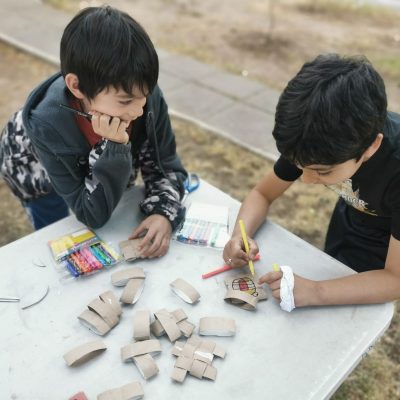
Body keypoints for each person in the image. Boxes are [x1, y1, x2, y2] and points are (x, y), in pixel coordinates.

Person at [0, 6, 187, 259]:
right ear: (76, 86)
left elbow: (165, 166)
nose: (139, 111)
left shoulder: (144, 98)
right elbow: (92, 215)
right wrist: (114, 147)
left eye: (144, 96)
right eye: (125, 101)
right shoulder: (45, 124)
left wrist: (164, 211)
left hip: (79, 156)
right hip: (32, 168)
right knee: (59, 240)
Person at [223, 53, 400, 307]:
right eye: (299, 166)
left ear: (372, 146)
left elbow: (394, 280)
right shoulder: (311, 141)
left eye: (322, 171)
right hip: (354, 215)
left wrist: (316, 291)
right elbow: (262, 194)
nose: (305, 179)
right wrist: (239, 235)